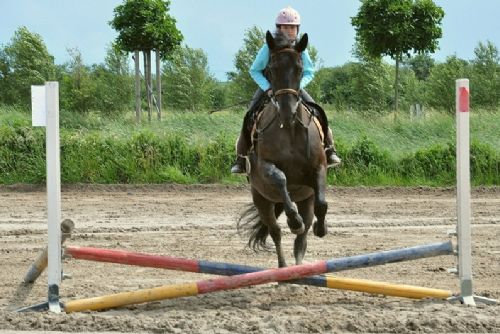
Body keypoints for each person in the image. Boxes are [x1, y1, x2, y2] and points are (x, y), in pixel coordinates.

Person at [231, 6, 341, 174]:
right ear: (279, 28)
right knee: (249, 114)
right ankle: (240, 158)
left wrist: (298, 86)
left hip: (293, 89)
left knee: (317, 111)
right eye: (285, 27)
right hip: (269, 87)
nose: (289, 31)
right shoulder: (268, 48)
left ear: (297, 29)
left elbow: (310, 71)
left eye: (293, 27)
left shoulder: (299, 48)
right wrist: (267, 88)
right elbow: (255, 70)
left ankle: (330, 149)